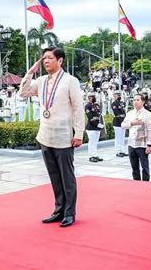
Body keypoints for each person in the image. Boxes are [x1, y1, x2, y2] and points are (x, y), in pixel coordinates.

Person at [20, 47, 84, 228]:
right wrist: (30, 73)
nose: (46, 61)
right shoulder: (40, 81)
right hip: (45, 135)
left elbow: (78, 108)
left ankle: (70, 212)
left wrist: (78, 133)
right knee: (54, 176)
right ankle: (58, 210)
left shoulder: (70, 81)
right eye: (44, 58)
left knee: (67, 177)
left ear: (60, 60)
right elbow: (23, 93)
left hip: (64, 136)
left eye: (49, 58)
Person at [121, 94, 151, 181]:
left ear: (143, 101)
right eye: (134, 100)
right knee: (134, 168)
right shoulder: (130, 113)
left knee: (145, 167)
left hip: (142, 144)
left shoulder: (147, 114)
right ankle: (136, 184)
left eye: (137, 100)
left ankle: (146, 185)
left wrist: (149, 145)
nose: (135, 102)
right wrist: (131, 123)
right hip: (131, 144)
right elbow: (123, 125)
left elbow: (150, 130)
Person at [85, 92, 104, 163]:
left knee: (95, 142)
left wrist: (99, 124)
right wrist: (97, 124)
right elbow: (90, 117)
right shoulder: (87, 106)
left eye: (93, 97)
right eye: (91, 97)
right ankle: (91, 156)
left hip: (97, 126)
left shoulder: (96, 105)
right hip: (91, 127)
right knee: (92, 142)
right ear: (89, 98)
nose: (92, 98)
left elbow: (99, 114)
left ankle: (95, 155)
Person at [112, 91, 127, 157]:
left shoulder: (121, 103)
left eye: (119, 95)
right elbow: (116, 113)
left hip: (123, 121)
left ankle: (122, 150)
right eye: (117, 95)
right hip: (117, 122)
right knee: (118, 137)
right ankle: (118, 151)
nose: (119, 96)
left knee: (122, 137)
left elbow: (124, 112)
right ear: (114, 96)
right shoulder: (114, 104)